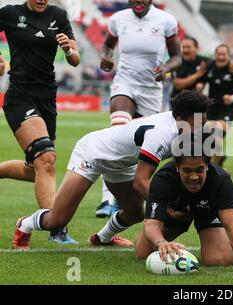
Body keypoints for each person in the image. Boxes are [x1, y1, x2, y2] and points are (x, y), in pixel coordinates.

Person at [11, 90, 209, 250]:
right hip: (92, 154)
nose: (202, 127)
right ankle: (25, 224)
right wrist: (166, 208)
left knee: (134, 213)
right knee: (57, 220)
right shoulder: (162, 134)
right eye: (198, 123)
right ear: (180, 119)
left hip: (122, 162)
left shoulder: (183, 127)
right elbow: (141, 181)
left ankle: (101, 238)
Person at [0, 0, 80, 244]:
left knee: (36, 169)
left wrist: (68, 50)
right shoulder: (10, 13)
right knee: (46, 159)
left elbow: (75, 59)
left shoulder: (59, 15)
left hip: (47, 98)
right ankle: (57, 228)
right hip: (19, 96)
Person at [96, 0, 182, 218]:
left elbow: (177, 57)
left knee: (141, 148)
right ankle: (107, 201)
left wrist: (166, 68)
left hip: (151, 90)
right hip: (124, 83)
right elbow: (107, 45)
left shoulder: (166, 21)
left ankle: (126, 195)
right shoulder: (118, 19)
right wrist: (105, 57)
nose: (137, 1)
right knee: (117, 133)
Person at [135, 139, 233, 275]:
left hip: (208, 212)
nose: (194, 177)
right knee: (143, 252)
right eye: (187, 170)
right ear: (177, 168)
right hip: (178, 213)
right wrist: (162, 243)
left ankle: (227, 245)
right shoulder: (163, 179)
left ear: (207, 166)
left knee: (218, 259)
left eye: (199, 170)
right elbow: (151, 225)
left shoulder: (221, 181)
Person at [196, 44, 233, 167]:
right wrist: (200, 86)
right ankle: (217, 162)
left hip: (228, 108)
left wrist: (232, 97)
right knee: (210, 139)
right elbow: (202, 80)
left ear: (228, 56)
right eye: (219, 54)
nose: (221, 57)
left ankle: (215, 163)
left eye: (224, 54)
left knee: (214, 131)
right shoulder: (210, 66)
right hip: (211, 106)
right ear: (215, 55)